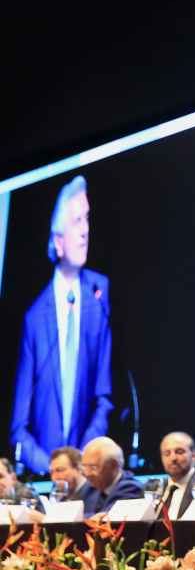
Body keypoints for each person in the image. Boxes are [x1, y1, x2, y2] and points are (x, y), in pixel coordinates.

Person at [10, 175, 113, 474]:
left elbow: (104, 399)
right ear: (57, 240)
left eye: (87, 219)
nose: (85, 231)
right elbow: (19, 428)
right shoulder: (34, 319)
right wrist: (55, 471)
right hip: (46, 478)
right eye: (76, 221)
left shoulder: (99, 293)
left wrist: (84, 461)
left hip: (90, 474)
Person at [80, 436, 143, 517]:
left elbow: (106, 520)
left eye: (93, 467)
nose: (87, 474)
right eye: (84, 466)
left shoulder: (131, 488)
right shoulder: (89, 489)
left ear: (113, 465)